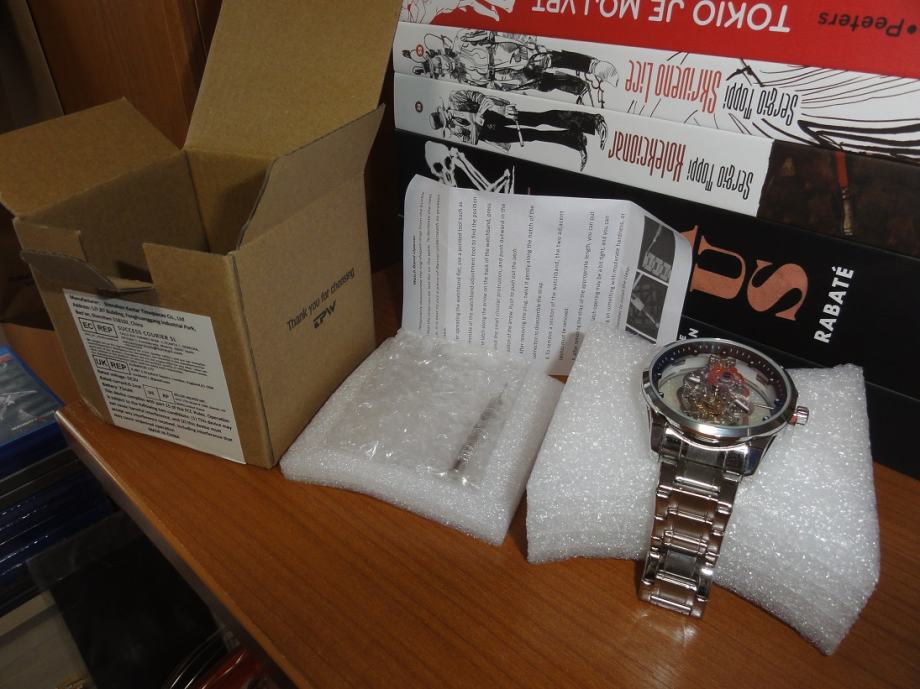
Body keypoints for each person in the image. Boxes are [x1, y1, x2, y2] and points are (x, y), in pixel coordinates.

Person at [406, 29, 618, 106]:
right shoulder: (462, 78)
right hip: (508, 78)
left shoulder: (461, 41)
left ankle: (593, 66)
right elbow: (485, 85)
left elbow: (492, 34)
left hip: (509, 53)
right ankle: (580, 88)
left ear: (438, 54)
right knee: (544, 84)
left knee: (549, 59)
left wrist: (522, 42)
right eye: (438, 71)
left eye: (438, 63)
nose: (442, 68)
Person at [429, 89, 608, 171]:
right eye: (447, 122)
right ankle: (576, 140)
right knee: (533, 136)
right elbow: (472, 139)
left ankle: (592, 122)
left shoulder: (455, 98)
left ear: (444, 110)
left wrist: (498, 109)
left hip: (497, 114)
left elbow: (479, 96)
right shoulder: (453, 129)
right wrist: (478, 120)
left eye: (447, 115)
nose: (450, 119)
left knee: (538, 119)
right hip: (492, 133)